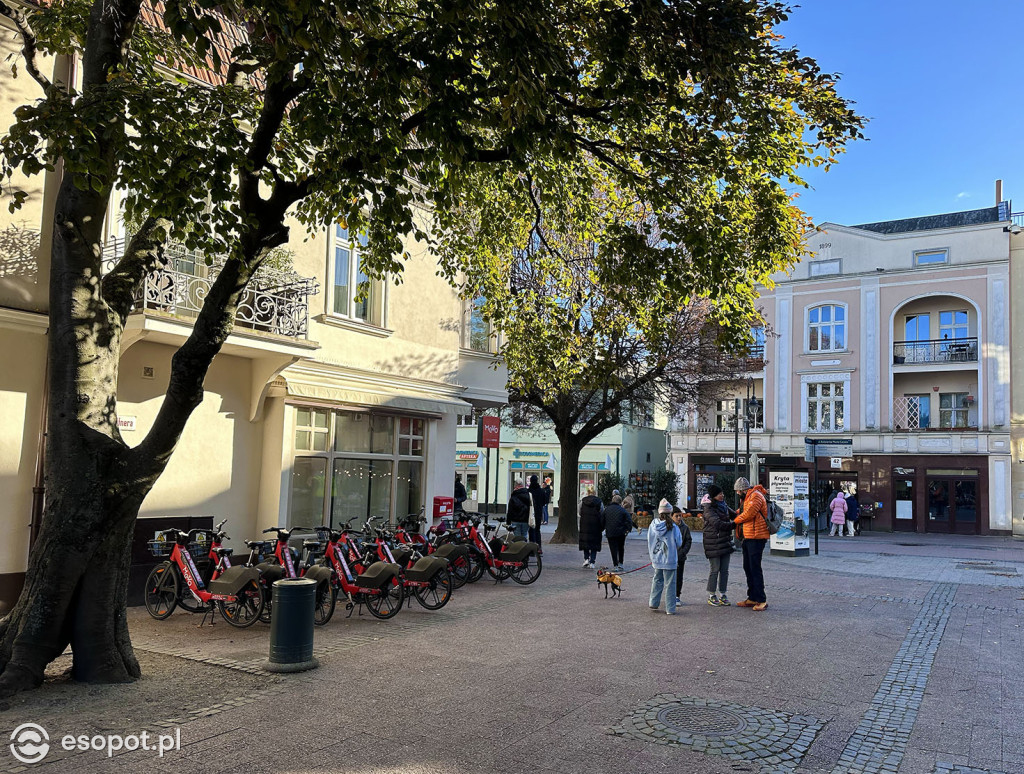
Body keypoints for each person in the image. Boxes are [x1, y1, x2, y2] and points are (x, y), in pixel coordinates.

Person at [732, 477, 769, 612]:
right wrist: (731, 513)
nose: (737, 494)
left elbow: (749, 514)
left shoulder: (756, 496)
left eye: (737, 491)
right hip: (748, 536)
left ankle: (761, 599)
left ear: (743, 489)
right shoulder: (747, 498)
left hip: (757, 537)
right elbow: (741, 512)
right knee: (747, 567)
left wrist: (734, 522)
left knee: (755, 568)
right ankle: (752, 597)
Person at [702, 484, 736, 606]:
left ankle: (723, 593)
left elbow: (735, 515)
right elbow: (717, 524)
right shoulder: (709, 508)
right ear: (714, 496)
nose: (722, 495)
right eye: (719, 494)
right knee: (715, 569)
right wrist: (734, 525)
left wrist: (742, 516)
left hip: (725, 541)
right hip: (713, 542)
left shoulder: (724, 505)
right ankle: (712, 594)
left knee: (725, 570)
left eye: (722, 493)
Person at [647, 499, 683, 615]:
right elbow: (679, 542)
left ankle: (653, 602)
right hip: (670, 559)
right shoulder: (674, 527)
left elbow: (649, 539)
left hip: (657, 558)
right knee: (670, 584)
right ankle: (670, 608)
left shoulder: (653, 524)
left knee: (657, 579)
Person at [604, 494, 632, 571]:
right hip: (621, 532)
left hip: (610, 532)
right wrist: (627, 530)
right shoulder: (623, 510)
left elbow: (602, 520)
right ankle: (621, 563)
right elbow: (629, 521)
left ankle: (615, 565)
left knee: (613, 548)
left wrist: (603, 528)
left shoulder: (607, 509)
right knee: (620, 547)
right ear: (620, 502)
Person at [578, 487, 605, 568]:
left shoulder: (582, 502)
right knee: (594, 543)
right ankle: (592, 562)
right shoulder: (599, 502)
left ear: (588, 493)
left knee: (585, 541)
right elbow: (602, 512)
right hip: (596, 525)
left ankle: (586, 559)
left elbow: (579, 511)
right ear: (595, 493)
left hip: (585, 524)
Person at [671, 506, 692, 605]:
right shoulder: (668, 527)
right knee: (669, 577)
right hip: (670, 557)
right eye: (676, 516)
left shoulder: (685, 527)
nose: (679, 518)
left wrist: (683, 551)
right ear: (671, 517)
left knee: (679, 577)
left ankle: (677, 596)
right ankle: (670, 595)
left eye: (680, 516)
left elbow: (688, 540)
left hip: (680, 556)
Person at [527, 475, 546, 548]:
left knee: (531, 530)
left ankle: (531, 548)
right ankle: (538, 547)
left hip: (530, 513)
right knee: (537, 530)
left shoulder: (528, 491)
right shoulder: (541, 491)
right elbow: (544, 501)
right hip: (538, 512)